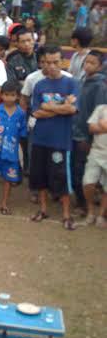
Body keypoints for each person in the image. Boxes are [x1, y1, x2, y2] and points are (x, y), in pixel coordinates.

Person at [29, 46, 80, 230]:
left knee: (61, 178)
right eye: (47, 62)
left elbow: (73, 110)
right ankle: (43, 209)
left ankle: (66, 214)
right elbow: (36, 112)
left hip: (61, 141)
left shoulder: (71, 83)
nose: (51, 66)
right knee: (40, 176)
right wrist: (62, 107)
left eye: (55, 62)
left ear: (62, 62)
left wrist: (49, 106)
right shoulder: (39, 85)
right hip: (40, 139)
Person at [72, 50, 107, 215]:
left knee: (82, 170)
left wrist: (90, 137)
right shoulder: (81, 81)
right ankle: (82, 200)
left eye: (92, 63)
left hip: (86, 135)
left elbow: (99, 114)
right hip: (75, 131)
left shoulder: (100, 86)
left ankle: (85, 203)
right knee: (76, 168)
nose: (87, 65)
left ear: (100, 66)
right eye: (86, 62)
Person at [0, 80, 28, 215]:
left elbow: (22, 133)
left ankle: (4, 203)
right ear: (1, 95)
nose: (9, 98)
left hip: (11, 152)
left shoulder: (21, 114)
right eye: (6, 94)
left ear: (18, 96)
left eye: (13, 95)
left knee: (8, 178)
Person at [83, 102, 107, 228]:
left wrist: (102, 125)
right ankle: (91, 211)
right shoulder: (101, 108)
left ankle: (101, 216)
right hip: (97, 151)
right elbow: (91, 128)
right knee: (88, 183)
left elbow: (97, 127)